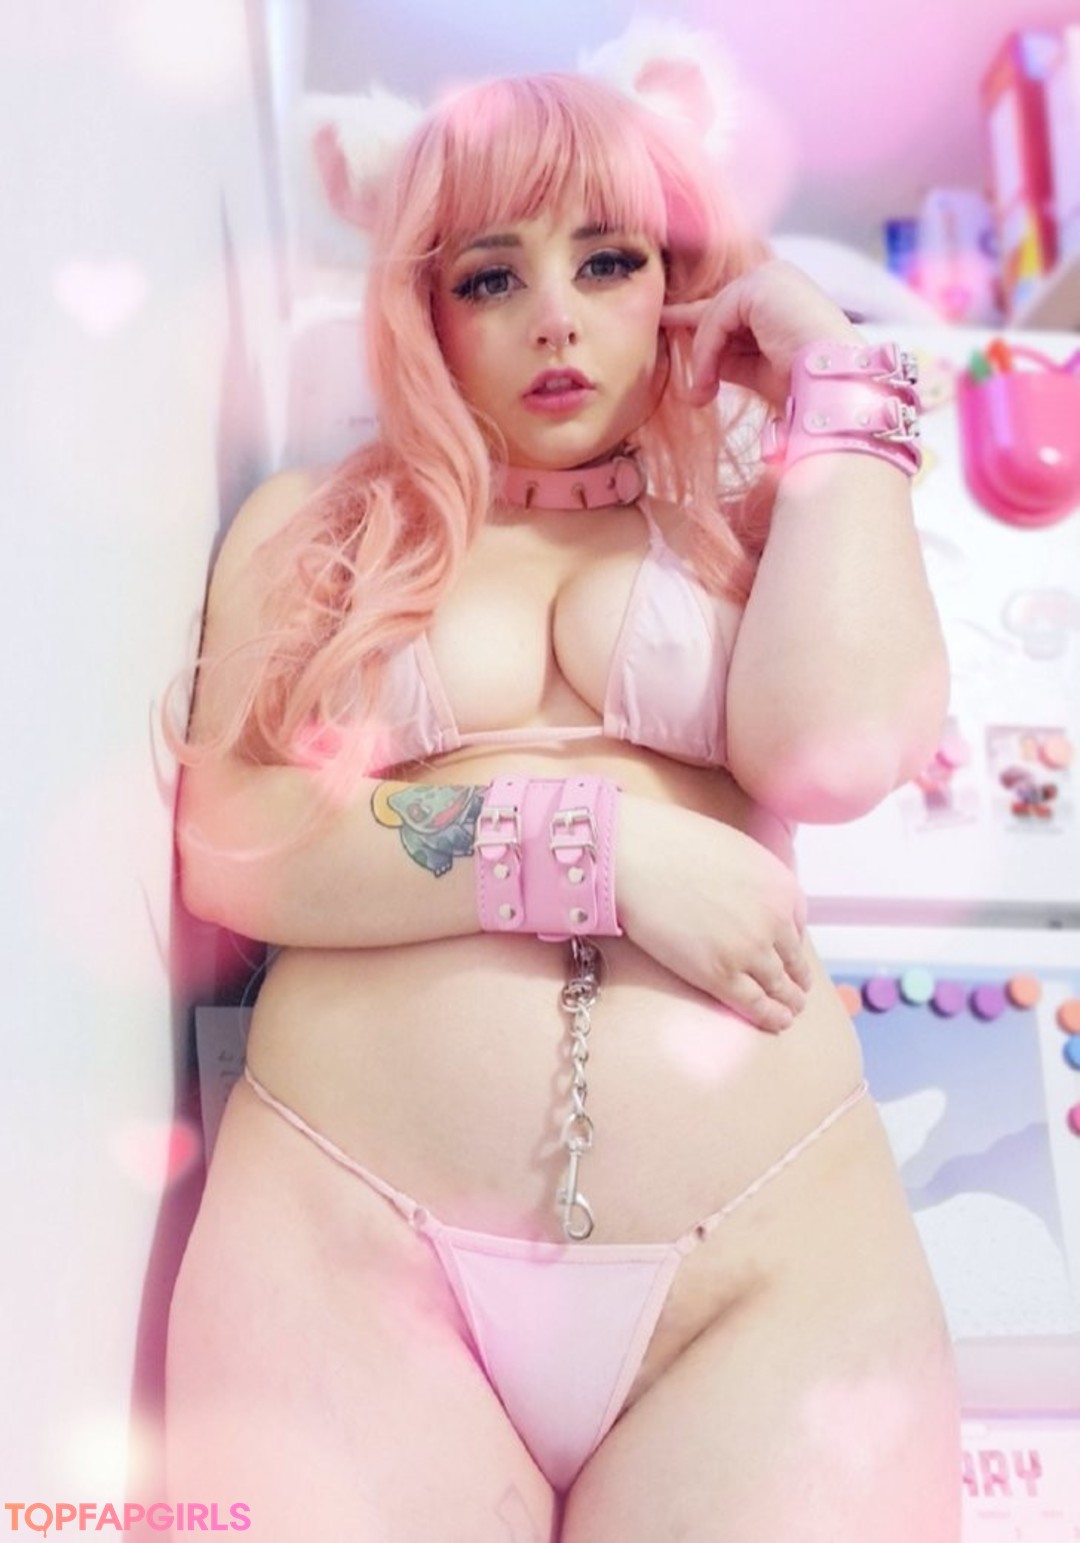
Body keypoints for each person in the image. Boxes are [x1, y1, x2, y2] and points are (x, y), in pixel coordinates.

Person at [165, 65, 961, 1543]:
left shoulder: (749, 527)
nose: (555, 317)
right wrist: (591, 849)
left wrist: (836, 379)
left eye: (608, 262)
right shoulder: (321, 525)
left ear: (679, 282)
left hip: (768, 1270)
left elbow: (841, 751)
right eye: (492, 274)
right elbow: (234, 842)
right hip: (347, 1244)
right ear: (425, 304)